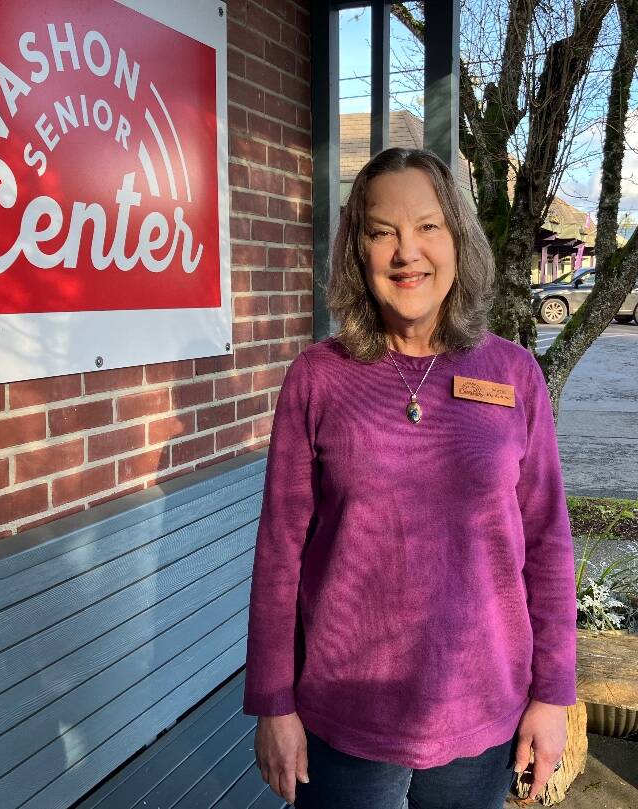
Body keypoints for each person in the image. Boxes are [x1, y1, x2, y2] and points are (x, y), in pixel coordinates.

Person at [241, 147, 577, 809]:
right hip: (343, 721)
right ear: (356, 251)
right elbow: (279, 551)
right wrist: (273, 703)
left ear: (457, 239)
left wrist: (552, 693)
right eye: (381, 231)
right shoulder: (317, 378)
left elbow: (548, 544)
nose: (406, 252)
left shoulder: (513, 376)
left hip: (482, 716)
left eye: (427, 226)